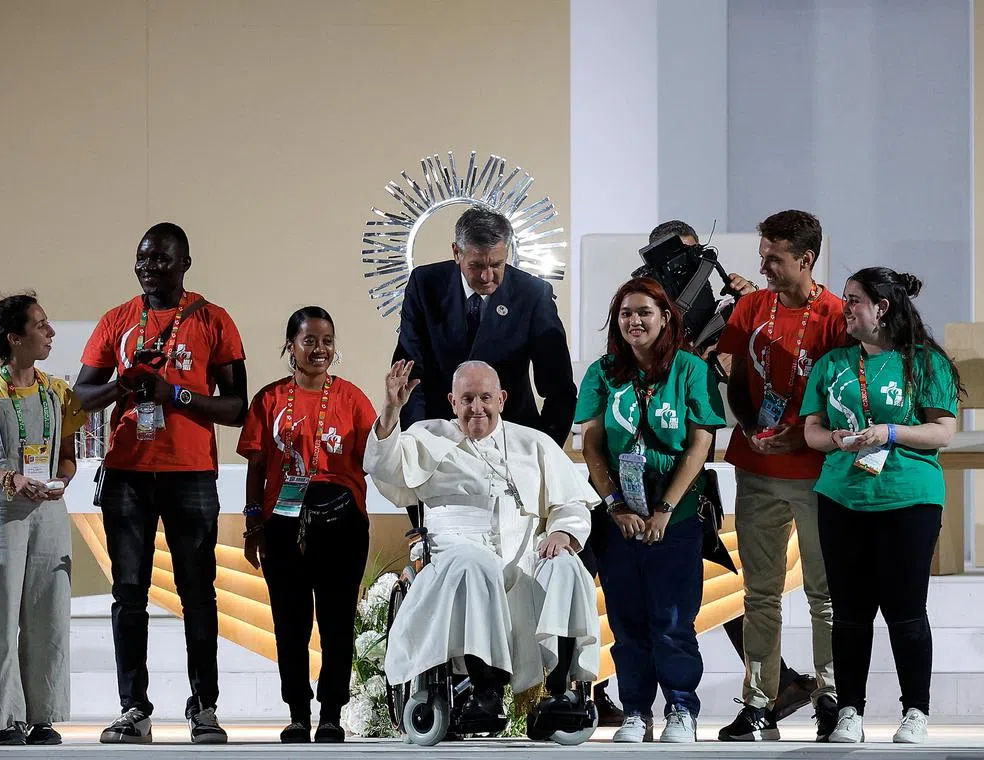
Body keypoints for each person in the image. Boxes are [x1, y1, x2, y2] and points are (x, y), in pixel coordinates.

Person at [74, 222, 248, 744]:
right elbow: (80, 397)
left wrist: (176, 394)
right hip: (127, 473)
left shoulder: (213, 320)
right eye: (143, 257)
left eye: (161, 259)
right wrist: (122, 384)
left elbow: (237, 407)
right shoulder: (117, 320)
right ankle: (134, 709)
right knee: (129, 593)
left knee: (198, 593)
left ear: (185, 264)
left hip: (190, 474)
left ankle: (204, 708)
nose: (149, 267)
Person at [646, 220, 820, 722]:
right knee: (653, 579)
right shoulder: (643, 310)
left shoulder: (736, 306)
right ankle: (600, 696)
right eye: (678, 263)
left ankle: (775, 683)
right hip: (651, 459)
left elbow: (741, 372)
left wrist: (741, 310)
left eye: (695, 259)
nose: (690, 272)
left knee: (717, 572)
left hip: (699, 464)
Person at [365, 360, 600, 726]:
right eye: (467, 399)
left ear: (502, 399)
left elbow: (571, 503)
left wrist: (561, 532)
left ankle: (559, 693)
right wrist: (392, 409)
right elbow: (384, 467)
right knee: (477, 565)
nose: (477, 408)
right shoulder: (428, 436)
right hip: (454, 558)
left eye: (486, 398)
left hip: (524, 558)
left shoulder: (533, 443)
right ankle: (486, 691)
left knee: (566, 566)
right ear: (452, 401)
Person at [802, 268, 962, 745]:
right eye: (846, 299)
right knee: (849, 612)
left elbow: (943, 431)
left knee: (905, 609)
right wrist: (834, 439)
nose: (845, 308)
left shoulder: (925, 363)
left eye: (854, 300)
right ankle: (849, 710)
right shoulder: (833, 364)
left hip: (908, 497)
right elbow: (811, 430)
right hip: (841, 496)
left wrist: (890, 432)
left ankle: (915, 711)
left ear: (882, 307)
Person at [714, 210, 847, 742]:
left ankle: (833, 699)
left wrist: (804, 435)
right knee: (760, 594)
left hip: (817, 472)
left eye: (774, 258)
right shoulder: (751, 306)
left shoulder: (836, 315)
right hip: (757, 469)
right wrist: (744, 415)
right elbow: (730, 368)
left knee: (825, 593)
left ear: (806, 259)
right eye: (762, 255)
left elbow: (846, 393)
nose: (763, 267)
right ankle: (759, 704)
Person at [574, 277, 725, 743]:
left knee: (674, 621)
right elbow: (591, 444)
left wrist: (664, 508)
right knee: (626, 622)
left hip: (676, 515)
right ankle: (637, 711)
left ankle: (681, 708)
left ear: (665, 318)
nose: (634, 321)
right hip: (618, 518)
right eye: (625, 313)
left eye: (644, 312)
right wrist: (615, 505)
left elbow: (699, 444)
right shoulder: (603, 372)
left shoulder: (690, 370)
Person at [0, 293, 86, 745]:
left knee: (50, 612)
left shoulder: (58, 393)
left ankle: (44, 716)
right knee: (0, 617)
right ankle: (8, 718)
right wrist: (9, 479)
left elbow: (67, 458)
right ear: (14, 338)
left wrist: (60, 480)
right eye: (40, 325)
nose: (50, 332)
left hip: (47, 509)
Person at [238, 307, 376, 743]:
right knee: (290, 623)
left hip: (341, 522)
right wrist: (253, 523)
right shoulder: (269, 399)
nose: (320, 349)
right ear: (290, 346)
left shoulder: (352, 398)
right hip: (282, 523)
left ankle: (331, 714)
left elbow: (376, 457)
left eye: (327, 341)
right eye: (310, 340)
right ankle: (297, 713)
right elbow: (256, 466)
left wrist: (394, 409)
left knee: (337, 622)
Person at [392, 205, 576, 445]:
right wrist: (418, 440)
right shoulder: (425, 285)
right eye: (477, 265)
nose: (487, 276)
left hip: (511, 437)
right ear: (457, 252)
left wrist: (543, 449)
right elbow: (411, 374)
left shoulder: (532, 294)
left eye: (497, 265)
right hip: (439, 437)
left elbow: (559, 388)